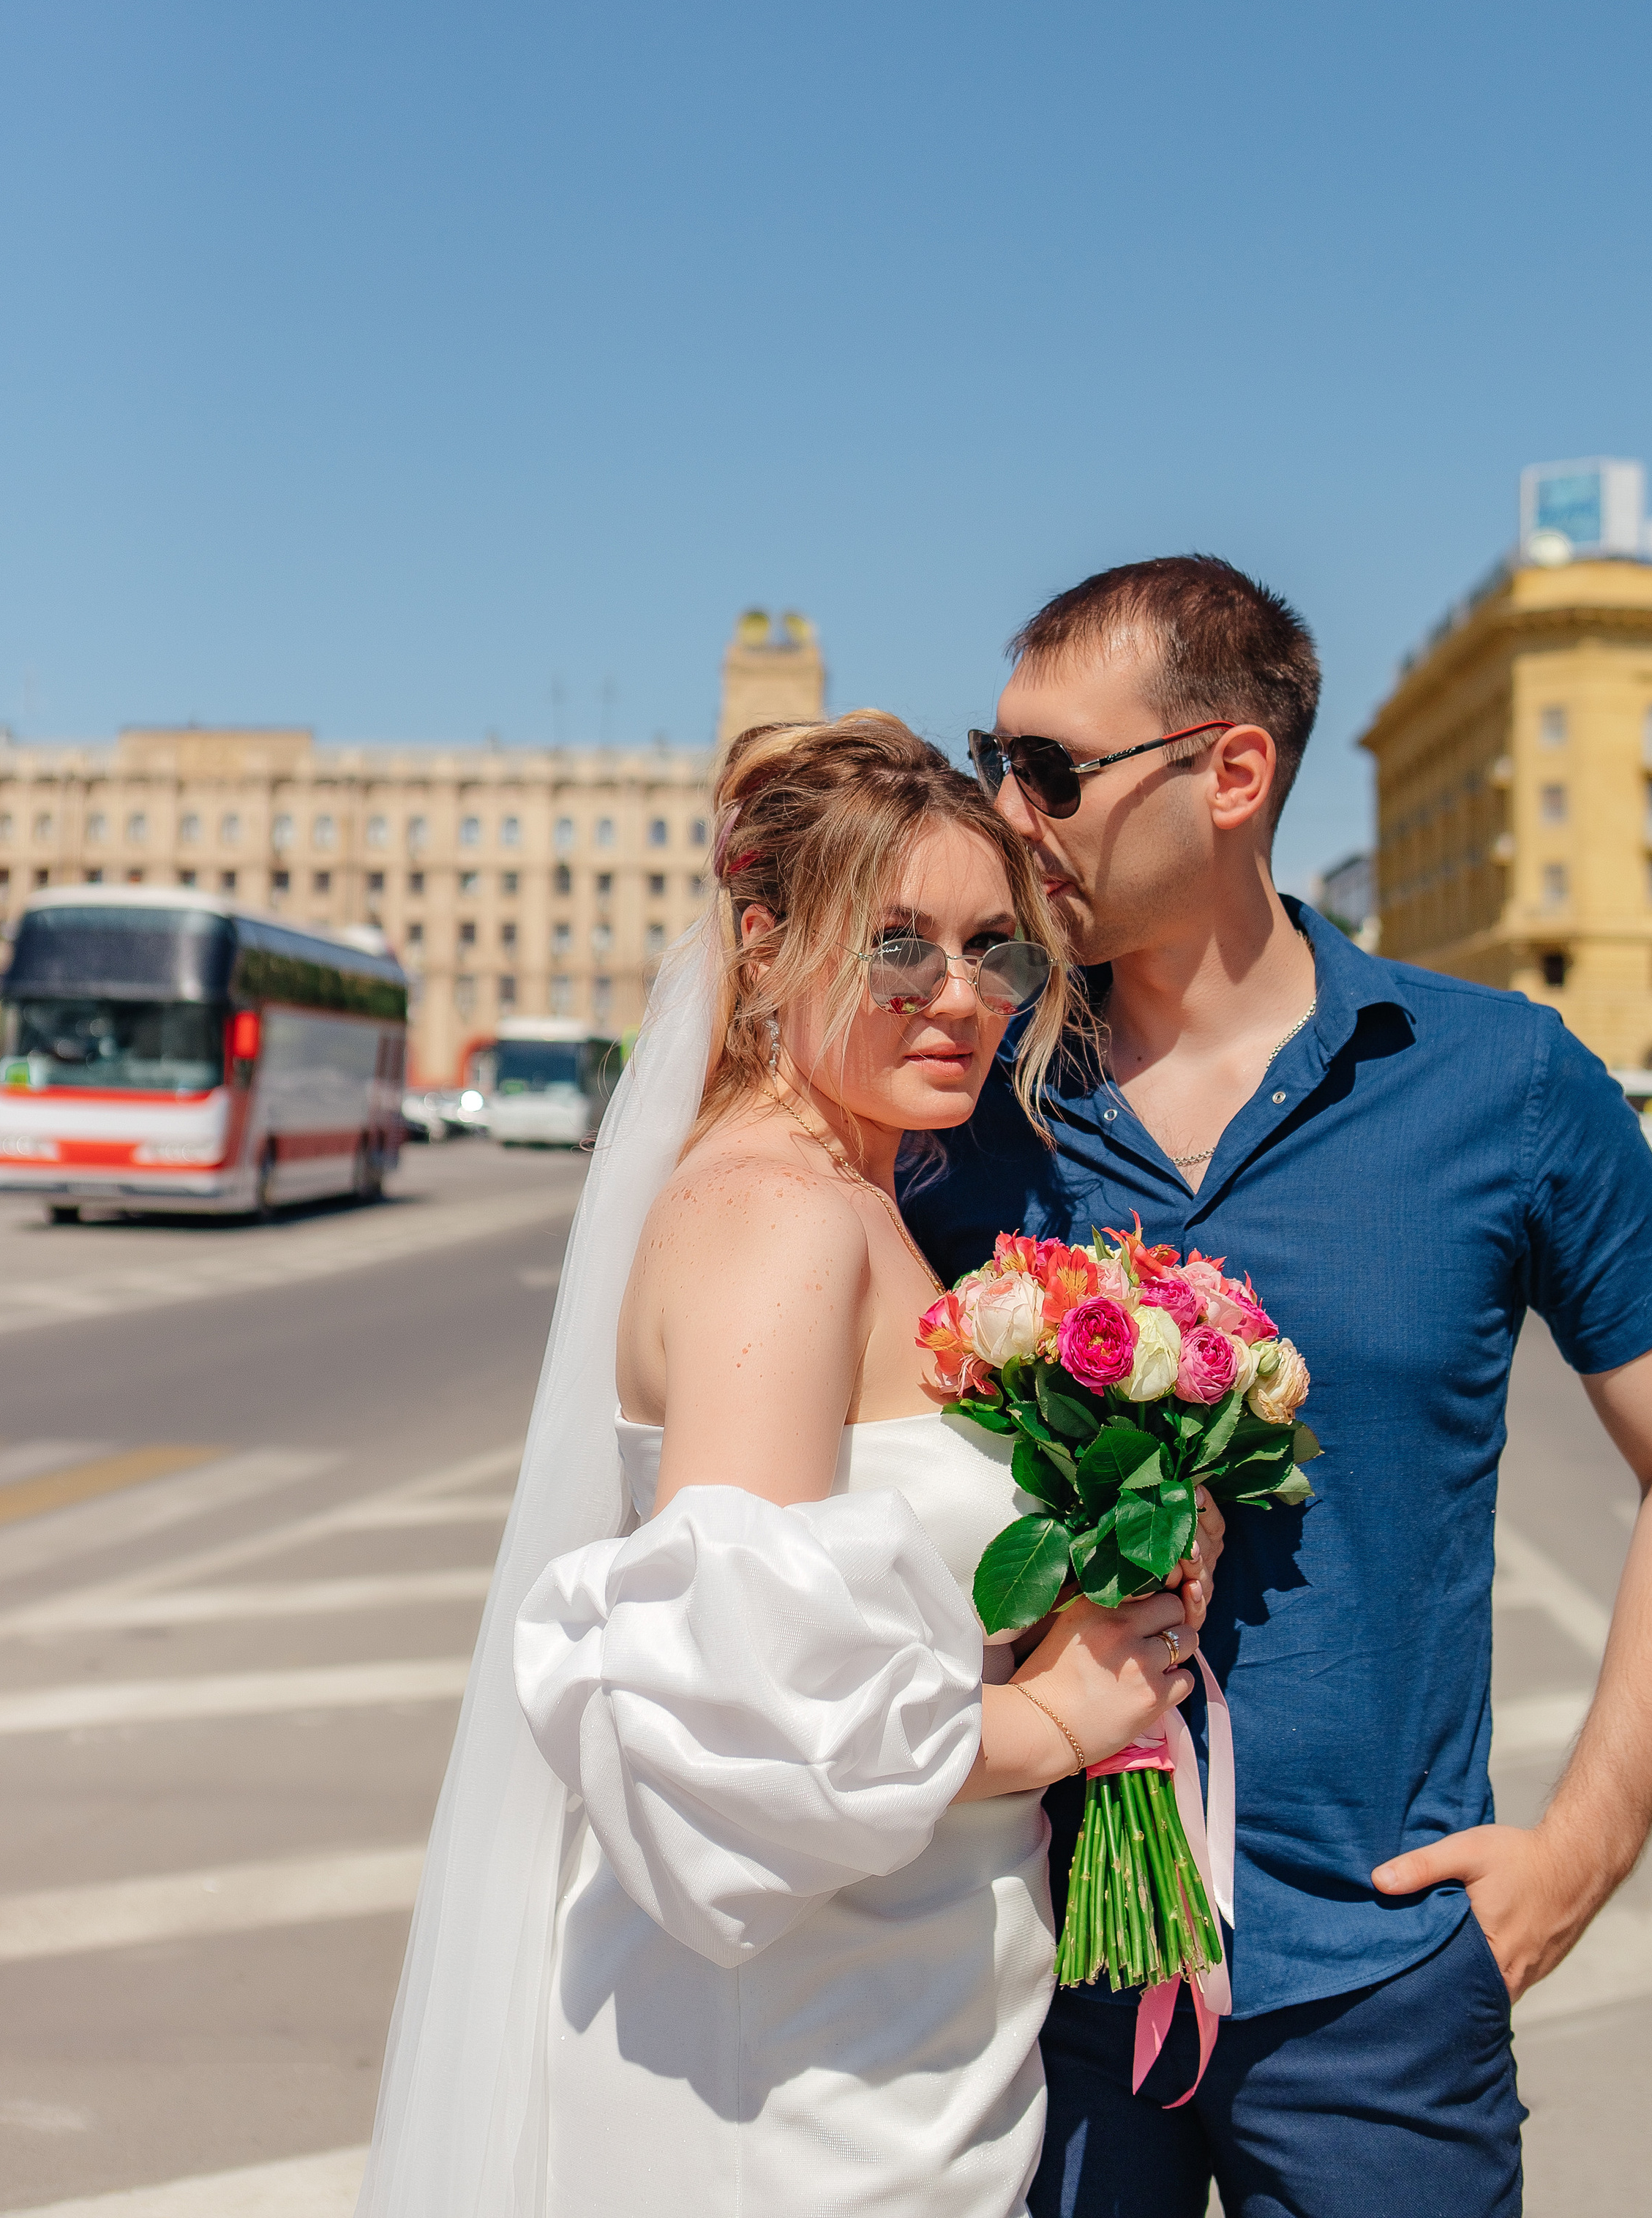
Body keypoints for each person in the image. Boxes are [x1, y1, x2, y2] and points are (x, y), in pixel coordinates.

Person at [901, 556, 1652, 2218]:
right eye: (993, 757)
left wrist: (1581, 1848)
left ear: (1229, 775)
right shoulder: (965, 1103)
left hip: (1380, 1996)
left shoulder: (1499, 1084)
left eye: (1053, 771)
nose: (1010, 815)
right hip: (1026, 1979)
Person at [357, 710, 1220, 2218]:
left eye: (992, 951)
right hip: (788, 2069)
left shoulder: (855, 1195)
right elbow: (741, 1714)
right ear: (759, 950)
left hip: (893, 2010)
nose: (958, 998)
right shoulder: (780, 1220)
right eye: (897, 947)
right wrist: (1059, 1716)